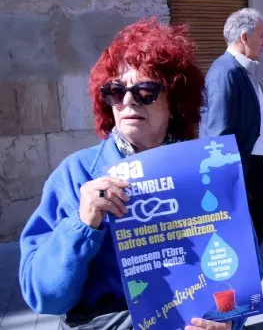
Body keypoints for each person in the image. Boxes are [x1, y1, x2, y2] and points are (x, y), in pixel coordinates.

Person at [18, 18, 234, 330]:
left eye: (145, 89)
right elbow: (45, 298)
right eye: (116, 91)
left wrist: (227, 323)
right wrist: (81, 224)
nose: (129, 100)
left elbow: (237, 271)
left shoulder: (206, 170)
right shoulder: (77, 174)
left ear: (173, 100)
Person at [199, 8, 263, 314]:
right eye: (261, 36)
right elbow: (218, 134)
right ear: (244, 37)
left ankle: (249, 297)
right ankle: (240, 304)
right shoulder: (225, 73)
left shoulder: (244, 70)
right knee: (240, 242)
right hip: (241, 173)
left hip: (256, 168)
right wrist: (230, 183)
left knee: (251, 238)